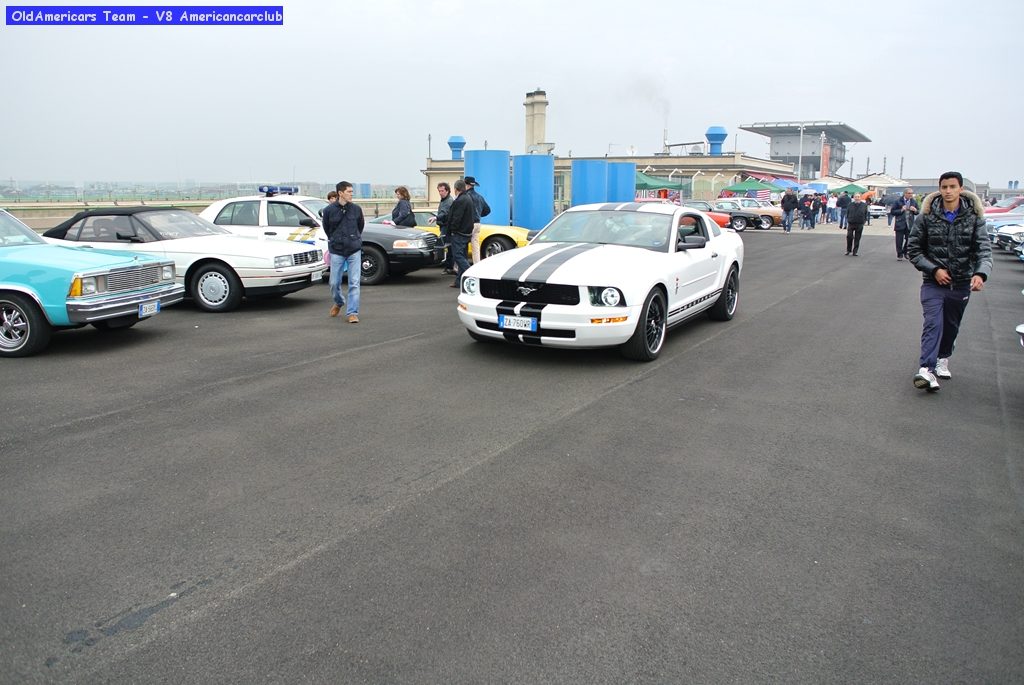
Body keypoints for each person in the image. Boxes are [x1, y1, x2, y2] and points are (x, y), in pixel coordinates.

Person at [907, 171, 992, 392]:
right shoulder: (927, 215)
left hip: (961, 283)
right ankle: (926, 369)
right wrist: (934, 269)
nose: (948, 191)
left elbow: (984, 250)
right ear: (939, 188)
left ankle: (943, 357)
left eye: (952, 187)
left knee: (951, 326)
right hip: (933, 283)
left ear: (960, 189)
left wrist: (980, 274)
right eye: (944, 187)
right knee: (933, 323)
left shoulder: (974, 217)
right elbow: (913, 249)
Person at [321, 181, 365, 323]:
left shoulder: (356, 209)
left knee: (354, 282)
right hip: (337, 250)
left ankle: (352, 312)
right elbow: (327, 228)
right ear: (340, 193)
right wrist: (334, 240)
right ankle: (339, 301)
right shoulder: (329, 211)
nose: (352, 194)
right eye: (349, 192)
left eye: (352, 192)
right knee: (334, 282)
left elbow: (360, 226)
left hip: (354, 249)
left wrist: (354, 238)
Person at [446, 179, 475, 287]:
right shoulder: (468, 198)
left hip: (459, 233)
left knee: (458, 256)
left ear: (455, 189)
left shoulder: (460, 200)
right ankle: (459, 281)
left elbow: (456, 218)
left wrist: (453, 230)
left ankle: (472, 275)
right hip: (466, 233)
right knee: (462, 255)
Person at [463, 176, 491, 263]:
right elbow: (488, 210)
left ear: (466, 185)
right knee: (475, 247)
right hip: (477, 224)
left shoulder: (465, 196)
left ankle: (463, 266)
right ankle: (476, 266)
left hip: (467, 224)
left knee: (463, 245)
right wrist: (479, 214)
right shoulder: (480, 197)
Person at [889, 187, 919, 261]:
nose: (911, 195)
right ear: (905, 194)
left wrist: (915, 210)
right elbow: (892, 212)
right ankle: (899, 254)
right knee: (899, 240)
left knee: (909, 240)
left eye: (912, 193)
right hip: (900, 223)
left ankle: (905, 252)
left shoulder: (913, 202)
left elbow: (918, 211)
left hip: (910, 223)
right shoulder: (898, 201)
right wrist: (901, 210)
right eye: (909, 193)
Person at [436, 182, 455, 275]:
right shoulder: (444, 200)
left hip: (447, 227)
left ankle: (449, 267)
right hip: (443, 226)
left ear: (447, 191)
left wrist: (436, 218)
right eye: (439, 191)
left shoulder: (448, 201)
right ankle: (448, 266)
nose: (440, 192)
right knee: (448, 247)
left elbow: (444, 213)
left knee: (448, 247)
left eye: (442, 191)